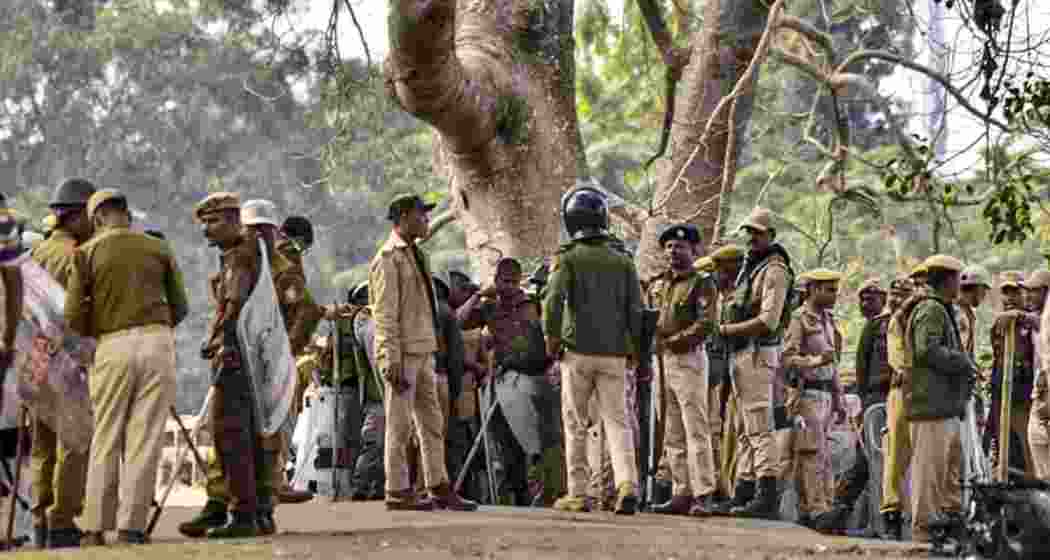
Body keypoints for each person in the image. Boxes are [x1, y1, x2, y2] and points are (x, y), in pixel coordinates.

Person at [65, 189, 188, 545]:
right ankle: (131, 528)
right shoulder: (158, 247)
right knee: (145, 437)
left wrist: (100, 332)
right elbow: (180, 306)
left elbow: (73, 315)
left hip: (111, 345)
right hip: (158, 341)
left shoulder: (86, 253)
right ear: (125, 212)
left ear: (98, 217)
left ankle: (94, 527)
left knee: (106, 434)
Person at [371, 193, 476, 512]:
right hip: (403, 353)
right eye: (420, 214)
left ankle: (438, 484)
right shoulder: (388, 258)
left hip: (423, 350)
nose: (426, 220)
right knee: (400, 424)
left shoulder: (416, 254)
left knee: (432, 422)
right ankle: (398, 488)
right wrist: (390, 359)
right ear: (402, 217)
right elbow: (384, 314)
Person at [543, 186, 642, 514]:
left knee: (576, 422)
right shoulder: (624, 261)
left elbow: (553, 302)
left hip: (578, 353)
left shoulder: (568, 257)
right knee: (618, 421)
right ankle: (627, 483)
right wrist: (634, 349)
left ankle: (578, 493)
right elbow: (636, 311)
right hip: (615, 354)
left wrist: (552, 339)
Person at [181, 192, 266, 539]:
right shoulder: (248, 251)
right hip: (245, 355)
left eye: (213, 222)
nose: (206, 231)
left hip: (234, 355)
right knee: (244, 435)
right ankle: (253, 511)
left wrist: (218, 340)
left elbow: (233, 306)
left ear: (234, 220)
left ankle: (242, 513)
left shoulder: (239, 256)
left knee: (231, 435)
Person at [27, 177, 96, 548]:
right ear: (77, 216)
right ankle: (62, 521)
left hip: (34, 357)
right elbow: (76, 315)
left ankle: (40, 519)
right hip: (65, 358)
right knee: (73, 442)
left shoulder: (34, 253)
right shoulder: (77, 257)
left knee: (42, 444)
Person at [719, 207, 793, 519]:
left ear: (771, 236)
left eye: (757, 233)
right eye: (748, 233)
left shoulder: (774, 270)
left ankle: (766, 497)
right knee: (747, 429)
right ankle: (744, 493)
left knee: (760, 428)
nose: (751, 238)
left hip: (758, 353)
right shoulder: (752, 268)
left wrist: (725, 331)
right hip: (743, 352)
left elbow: (769, 320)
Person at [646, 224, 718, 517]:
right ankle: (681, 491)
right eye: (669, 247)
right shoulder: (658, 283)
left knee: (695, 427)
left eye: (681, 247)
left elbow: (705, 324)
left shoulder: (702, 283)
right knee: (671, 429)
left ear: (694, 250)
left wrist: (674, 341)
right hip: (661, 360)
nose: (674, 251)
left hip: (688, 357)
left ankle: (704, 493)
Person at [907, 254, 975, 543]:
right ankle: (924, 533)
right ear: (948, 280)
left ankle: (943, 530)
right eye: (958, 279)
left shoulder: (942, 309)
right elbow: (927, 349)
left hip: (945, 407)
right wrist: (963, 361)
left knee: (947, 474)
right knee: (929, 473)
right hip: (930, 407)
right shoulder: (931, 310)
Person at [781, 269, 846, 531]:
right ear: (813, 290)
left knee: (824, 455)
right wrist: (816, 361)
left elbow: (834, 364)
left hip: (825, 394)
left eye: (834, 289)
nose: (834, 295)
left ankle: (823, 507)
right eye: (829, 289)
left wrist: (839, 396)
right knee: (810, 453)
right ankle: (815, 510)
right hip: (805, 392)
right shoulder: (799, 319)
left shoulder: (828, 320)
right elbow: (787, 359)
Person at [987, 270, 1038, 479]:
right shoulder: (999, 324)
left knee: (1030, 445)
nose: (1009, 298)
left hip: (1027, 395)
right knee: (1004, 445)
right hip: (1003, 392)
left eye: (1015, 292)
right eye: (1006, 293)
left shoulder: (1033, 319)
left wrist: (1020, 315)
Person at [880, 276, 918, 540]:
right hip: (901, 392)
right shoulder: (894, 322)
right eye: (894, 294)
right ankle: (891, 513)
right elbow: (899, 361)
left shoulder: (920, 317)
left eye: (904, 294)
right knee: (895, 455)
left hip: (922, 392)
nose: (897, 299)